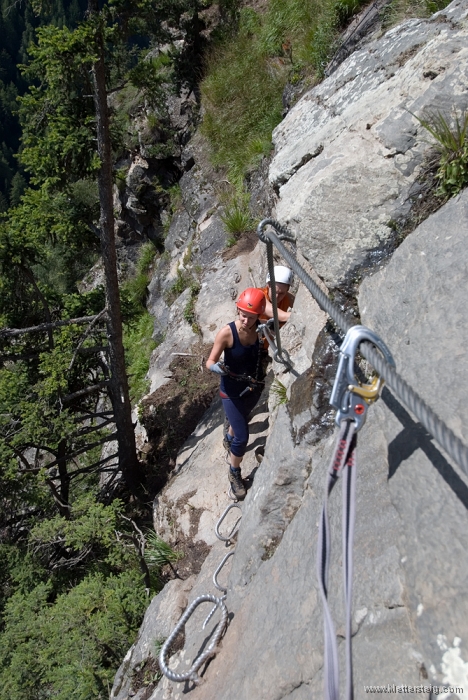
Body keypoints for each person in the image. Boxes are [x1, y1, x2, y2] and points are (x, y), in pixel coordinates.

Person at [206, 288, 266, 500]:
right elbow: (209, 362)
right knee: (243, 435)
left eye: (251, 317)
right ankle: (234, 473)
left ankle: (228, 437)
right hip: (231, 390)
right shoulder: (227, 333)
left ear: (258, 316)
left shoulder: (261, 328)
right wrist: (217, 369)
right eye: (242, 314)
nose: (246, 320)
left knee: (240, 419)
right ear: (237, 310)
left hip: (253, 386)